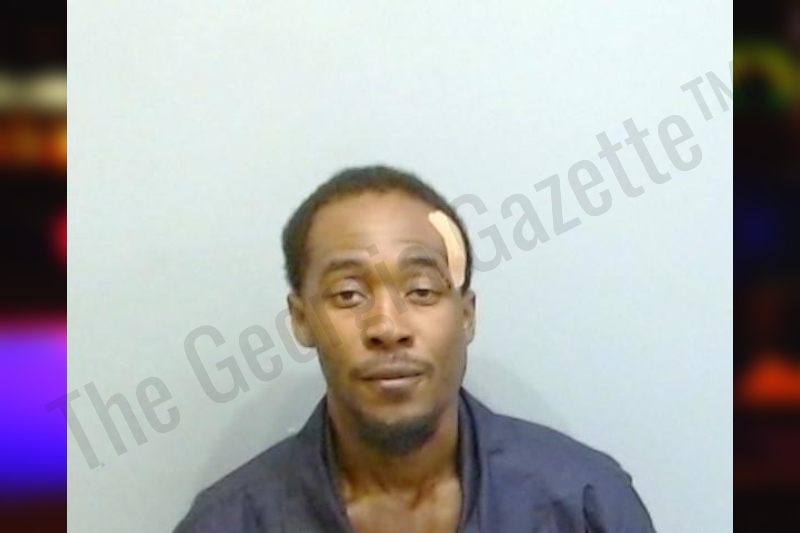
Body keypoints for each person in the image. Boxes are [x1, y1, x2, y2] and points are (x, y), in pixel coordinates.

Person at [174, 166, 656, 532]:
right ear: (302, 320)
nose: (388, 327)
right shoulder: (230, 521)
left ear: (466, 314)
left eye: (422, 290)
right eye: (348, 294)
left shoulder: (585, 504)